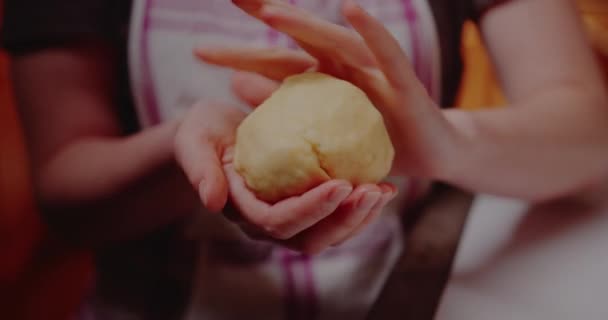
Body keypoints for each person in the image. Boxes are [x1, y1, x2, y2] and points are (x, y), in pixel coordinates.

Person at [1, 0, 607, 319]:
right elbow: (65, 195)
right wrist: (184, 150)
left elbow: (592, 137)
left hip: (412, 299)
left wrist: (446, 142)